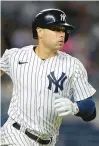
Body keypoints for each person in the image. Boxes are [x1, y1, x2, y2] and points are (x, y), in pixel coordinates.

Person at [0, 8, 96, 146]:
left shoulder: (73, 65)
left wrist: (76, 108)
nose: (62, 34)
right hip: (15, 134)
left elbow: (91, 110)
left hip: (49, 141)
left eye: (63, 30)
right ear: (40, 32)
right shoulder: (16, 56)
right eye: (56, 29)